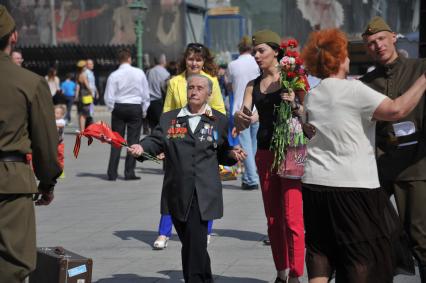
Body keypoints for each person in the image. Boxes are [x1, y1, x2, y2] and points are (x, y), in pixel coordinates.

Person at [301, 28, 426, 283]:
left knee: (320, 254)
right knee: (362, 257)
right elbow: (397, 109)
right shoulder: (354, 91)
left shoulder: (313, 95)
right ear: (339, 59)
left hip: (314, 185)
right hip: (352, 187)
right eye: (345, 54)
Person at [128, 74, 246, 282]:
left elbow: (222, 151)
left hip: (204, 192)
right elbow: (154, 141)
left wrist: (232, 155)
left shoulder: (218, 120)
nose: (194, 91)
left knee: (195, 242)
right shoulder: (169, 119)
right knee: (192, 243)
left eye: (200, 88)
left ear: (209, 93)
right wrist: (141, 148)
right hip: (177, 191)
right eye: (191, 87)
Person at [234, 30, 305, 283]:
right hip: (264, 153)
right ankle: (281, 272)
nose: (256, 55)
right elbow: (243, 118)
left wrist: (295, 103)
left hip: (291, 151)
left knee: (292, 217)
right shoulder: (253, 85)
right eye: (254, 51)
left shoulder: (294, 77)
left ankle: (296, 275)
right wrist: (239, 119)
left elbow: (309, 112)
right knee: (274, 219)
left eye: (261, 50)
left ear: (276, 51)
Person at [360, 17, 426, 282]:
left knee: (420, 235)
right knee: (371, 231)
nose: (377, 45)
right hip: (381, 168)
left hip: (415, 167)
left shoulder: (419, 69)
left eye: (381, 39)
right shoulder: (366, 82)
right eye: (371, 43)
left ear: (394, 37)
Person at [0, 5, 61, 283]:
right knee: (12, 264)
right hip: (10, 185)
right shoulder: (29, 82)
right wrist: (47, 182)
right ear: (13, 37)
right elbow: (45, 145)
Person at [154, 43, 225, 250]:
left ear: (204, 61)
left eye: (199, 59)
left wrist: (215, 136)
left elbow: (219, 110)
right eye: (191, 58)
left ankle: (205, 230)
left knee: (204, 187)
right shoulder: (175, 82)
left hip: (202, 138)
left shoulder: (211, 81)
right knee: (171, 186)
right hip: (177, 139)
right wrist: (161, 142)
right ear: (185, 59)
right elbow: (167, 111)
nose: (194, 63)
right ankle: (163, 232)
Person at [104, 48, 150, 181]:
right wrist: (144, 109)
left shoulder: (114, 75)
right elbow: (145, 94)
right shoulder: (139, 73)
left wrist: (112, 108)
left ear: (119, 60)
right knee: (133, 141)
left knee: (116, 141)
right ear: (129, 59)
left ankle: (112, 173)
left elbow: (108, 96)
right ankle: (129, 172)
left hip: (119, 106)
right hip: (135, 106)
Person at [227, 35, 261, 190]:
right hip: (256, 108)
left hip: (240, 108)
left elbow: (228, 87)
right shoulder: (257, 62)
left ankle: (252, 178)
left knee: (246, 145)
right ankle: (249, 177)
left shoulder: (232, 65)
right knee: (252, 145)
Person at [146, 54, 170, 131]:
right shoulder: (165, 73)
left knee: (152, 127)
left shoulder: (149, 71)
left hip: (149, 102)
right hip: (159, 102)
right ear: (164, 61)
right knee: (161, 128)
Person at [74, 60, 92, 131]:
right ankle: (82, 130)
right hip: (85, 95)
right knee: (84, 114)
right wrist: (91, 92)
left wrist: (76, 96)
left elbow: (77, 87)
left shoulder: (77, 75)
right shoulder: (84, 75)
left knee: (80, 113)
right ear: (83, 67)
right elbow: (87, 85)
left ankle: (81, 129)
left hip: (80, 96)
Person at [85, 58, 98, 127]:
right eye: (90, 64)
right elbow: (86, 83)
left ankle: (89, 124)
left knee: (91, 108)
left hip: (92, 93)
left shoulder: (91, 73)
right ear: (86, 65)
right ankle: (90, 124)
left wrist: (96, 91)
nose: (92, 65)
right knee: (89, 109)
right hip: (88, 94)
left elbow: (93, 84)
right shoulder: (86, 72)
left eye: (92, 63)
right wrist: (90, 91)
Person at [54, 105, 66, 178]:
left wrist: (53, 124)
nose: (55, 114)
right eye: (54, 112)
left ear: (62, 115)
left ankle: (61, 171)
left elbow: (61, 125)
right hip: (52, 143)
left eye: (58, 113)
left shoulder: (62, 121)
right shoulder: (51, 120)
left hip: (60, 143)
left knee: (60, 157)